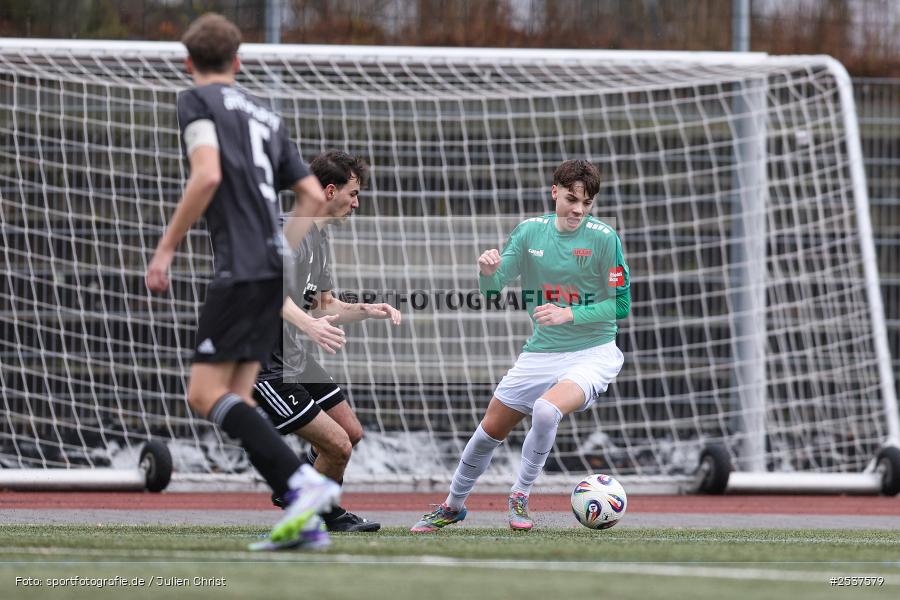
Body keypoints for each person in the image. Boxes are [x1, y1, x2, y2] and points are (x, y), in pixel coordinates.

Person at [145, 13, 337, 550]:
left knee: (205, 394)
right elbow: (312, 196)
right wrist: (283, 246)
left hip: (240, 268)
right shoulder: (267, 117)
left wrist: (165, 250)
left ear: (188, 63)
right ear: (238, 61)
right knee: (238, 396)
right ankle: (303, 518)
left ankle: (303, 483)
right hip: (270, 266)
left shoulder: (196, 101)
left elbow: (206, 174)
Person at [410, 159, 630, 532]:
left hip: (593, 352)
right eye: (572, 198)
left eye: (587, 203)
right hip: (541, 351)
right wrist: (486, 270)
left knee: (545, 411)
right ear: (554, 191)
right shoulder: (529, 233)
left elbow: (620, 305)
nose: (578, 209)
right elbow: (493, 289)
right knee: (489, 431)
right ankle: (452, 505)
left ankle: (520, 496)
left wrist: (568, 315)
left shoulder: (604, 238)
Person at [254, 150, 401, 532]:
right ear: (330, 190)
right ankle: (321, 515)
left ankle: (298, 483)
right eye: (353, 193)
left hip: (294, 358)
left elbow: (324, 304)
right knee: (338, 446)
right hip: (263, 365)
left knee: (351, 432)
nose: (357, 203)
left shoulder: (317, 239)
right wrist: (308, 325)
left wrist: (369, 309)